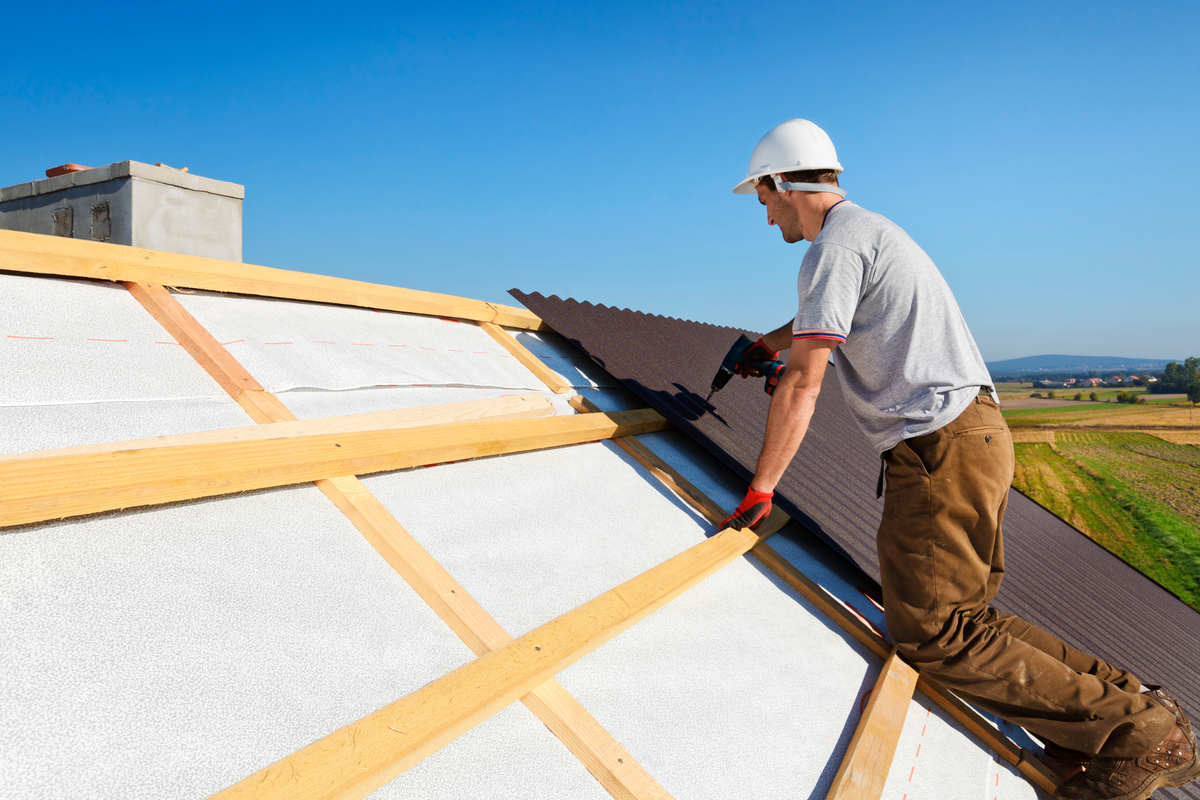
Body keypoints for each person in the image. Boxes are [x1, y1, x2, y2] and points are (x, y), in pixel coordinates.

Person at [718, 119, 1198, 800]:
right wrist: (769, 342)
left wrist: (761, 488)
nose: (764, 217)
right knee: (967, 620)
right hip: (972, 438)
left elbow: (806, 379)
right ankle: (1144, 712)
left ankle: (1138, 737)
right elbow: (817, 331)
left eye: (761, 200)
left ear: (780, 183)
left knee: (935, 634)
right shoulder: (869, 233)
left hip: (939, 449)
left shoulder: (831, 250)